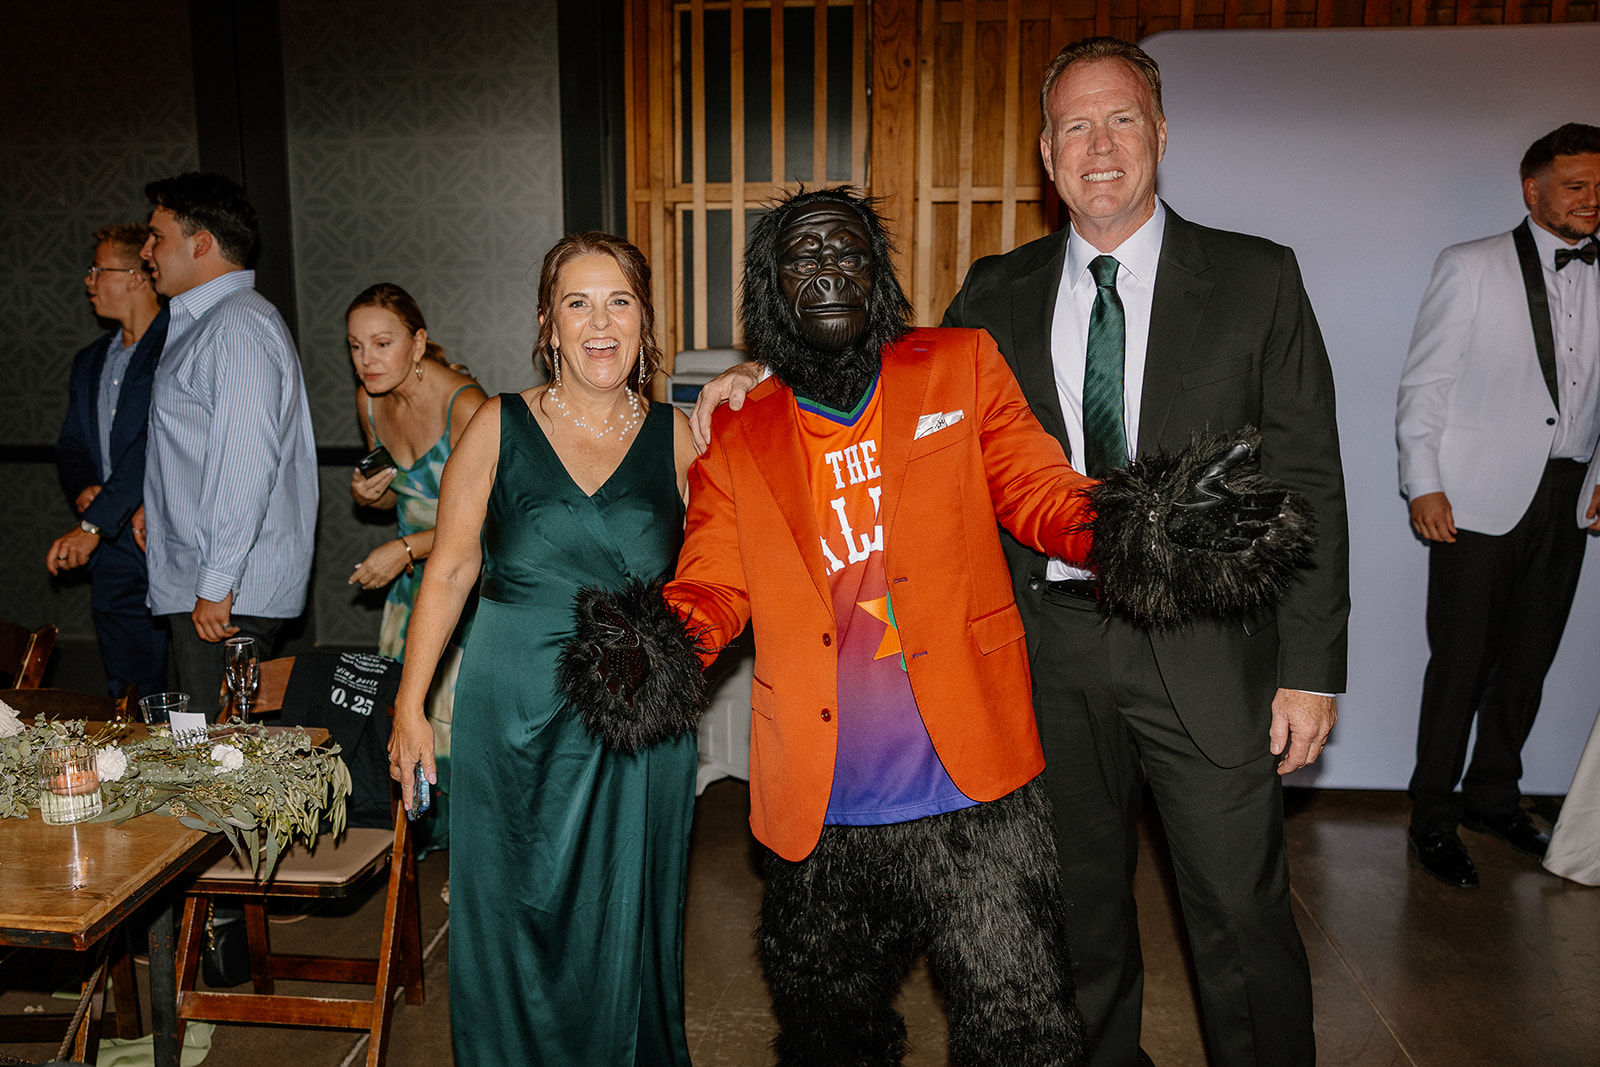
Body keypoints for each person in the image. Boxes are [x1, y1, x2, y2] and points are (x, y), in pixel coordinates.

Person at [690, 39, 1346, 1067]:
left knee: (1238, 911)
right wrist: (758, 367)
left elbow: (1309, 482)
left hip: (1207, 646)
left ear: (1160, 135)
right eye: (1075, 126)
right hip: (1047, 651)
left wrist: (1310, 669)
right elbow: (873, 367)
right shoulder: (994, 292)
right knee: (1074, 921)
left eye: (1121, 119)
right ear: (1046, 153)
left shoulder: (1258, 278)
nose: (1099, 146)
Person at [385, 232, 699, 1065]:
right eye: (578, 303)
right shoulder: (496, 425)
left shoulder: (683, 438)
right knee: (512, 904)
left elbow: (723, 578)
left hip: (639, 717)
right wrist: (410, 707)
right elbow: (448, 571)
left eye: (620, 301)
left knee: (628, 912)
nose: (601, 323)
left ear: (644, 320)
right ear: (548, 323)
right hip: (512, 704)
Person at [1396, 122, 1600, 889]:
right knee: (1460, 666)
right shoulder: (1471, 264)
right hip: (1475, 498)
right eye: (1576, 184)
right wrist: (1424, 481)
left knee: (1527, 663)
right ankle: (1433, 816)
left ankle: (1493, 796)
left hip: (1568, 495)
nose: (1591, 199)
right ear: (1533, 189)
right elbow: (1425, 385)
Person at [139, 172, 317, 709]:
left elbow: (244, 460)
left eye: (156, 236)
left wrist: (216, 579)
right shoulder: (211, 321)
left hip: (226, 589)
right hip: (211, 581)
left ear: (201, 243)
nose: (146, 251)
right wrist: (159, 506)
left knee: (212, 768)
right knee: (201, 750)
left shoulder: (235, 325)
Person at [345, 282, 486, 853]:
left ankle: (476, 857)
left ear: (419, 341)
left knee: (462, 729)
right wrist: (365, 493)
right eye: (355, 347)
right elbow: (391, 497)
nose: (367, 361)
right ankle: (418, 836)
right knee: (407, 715)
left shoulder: (467, 405)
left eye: (382, 344)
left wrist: (404, 549)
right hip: (409, 591)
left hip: (466, 585)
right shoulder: (371, 401)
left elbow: (493, 521)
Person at [48, 223, 169, 699]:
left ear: (138, 276)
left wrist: (94, 522)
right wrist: (85, 491)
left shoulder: (178, 344)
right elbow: (71, 444)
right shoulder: (90, 359)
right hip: (112, 543)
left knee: (206, 681)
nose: (88, 280)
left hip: (170, 532)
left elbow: (152, 443)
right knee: (131, 685)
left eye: (98, 270)